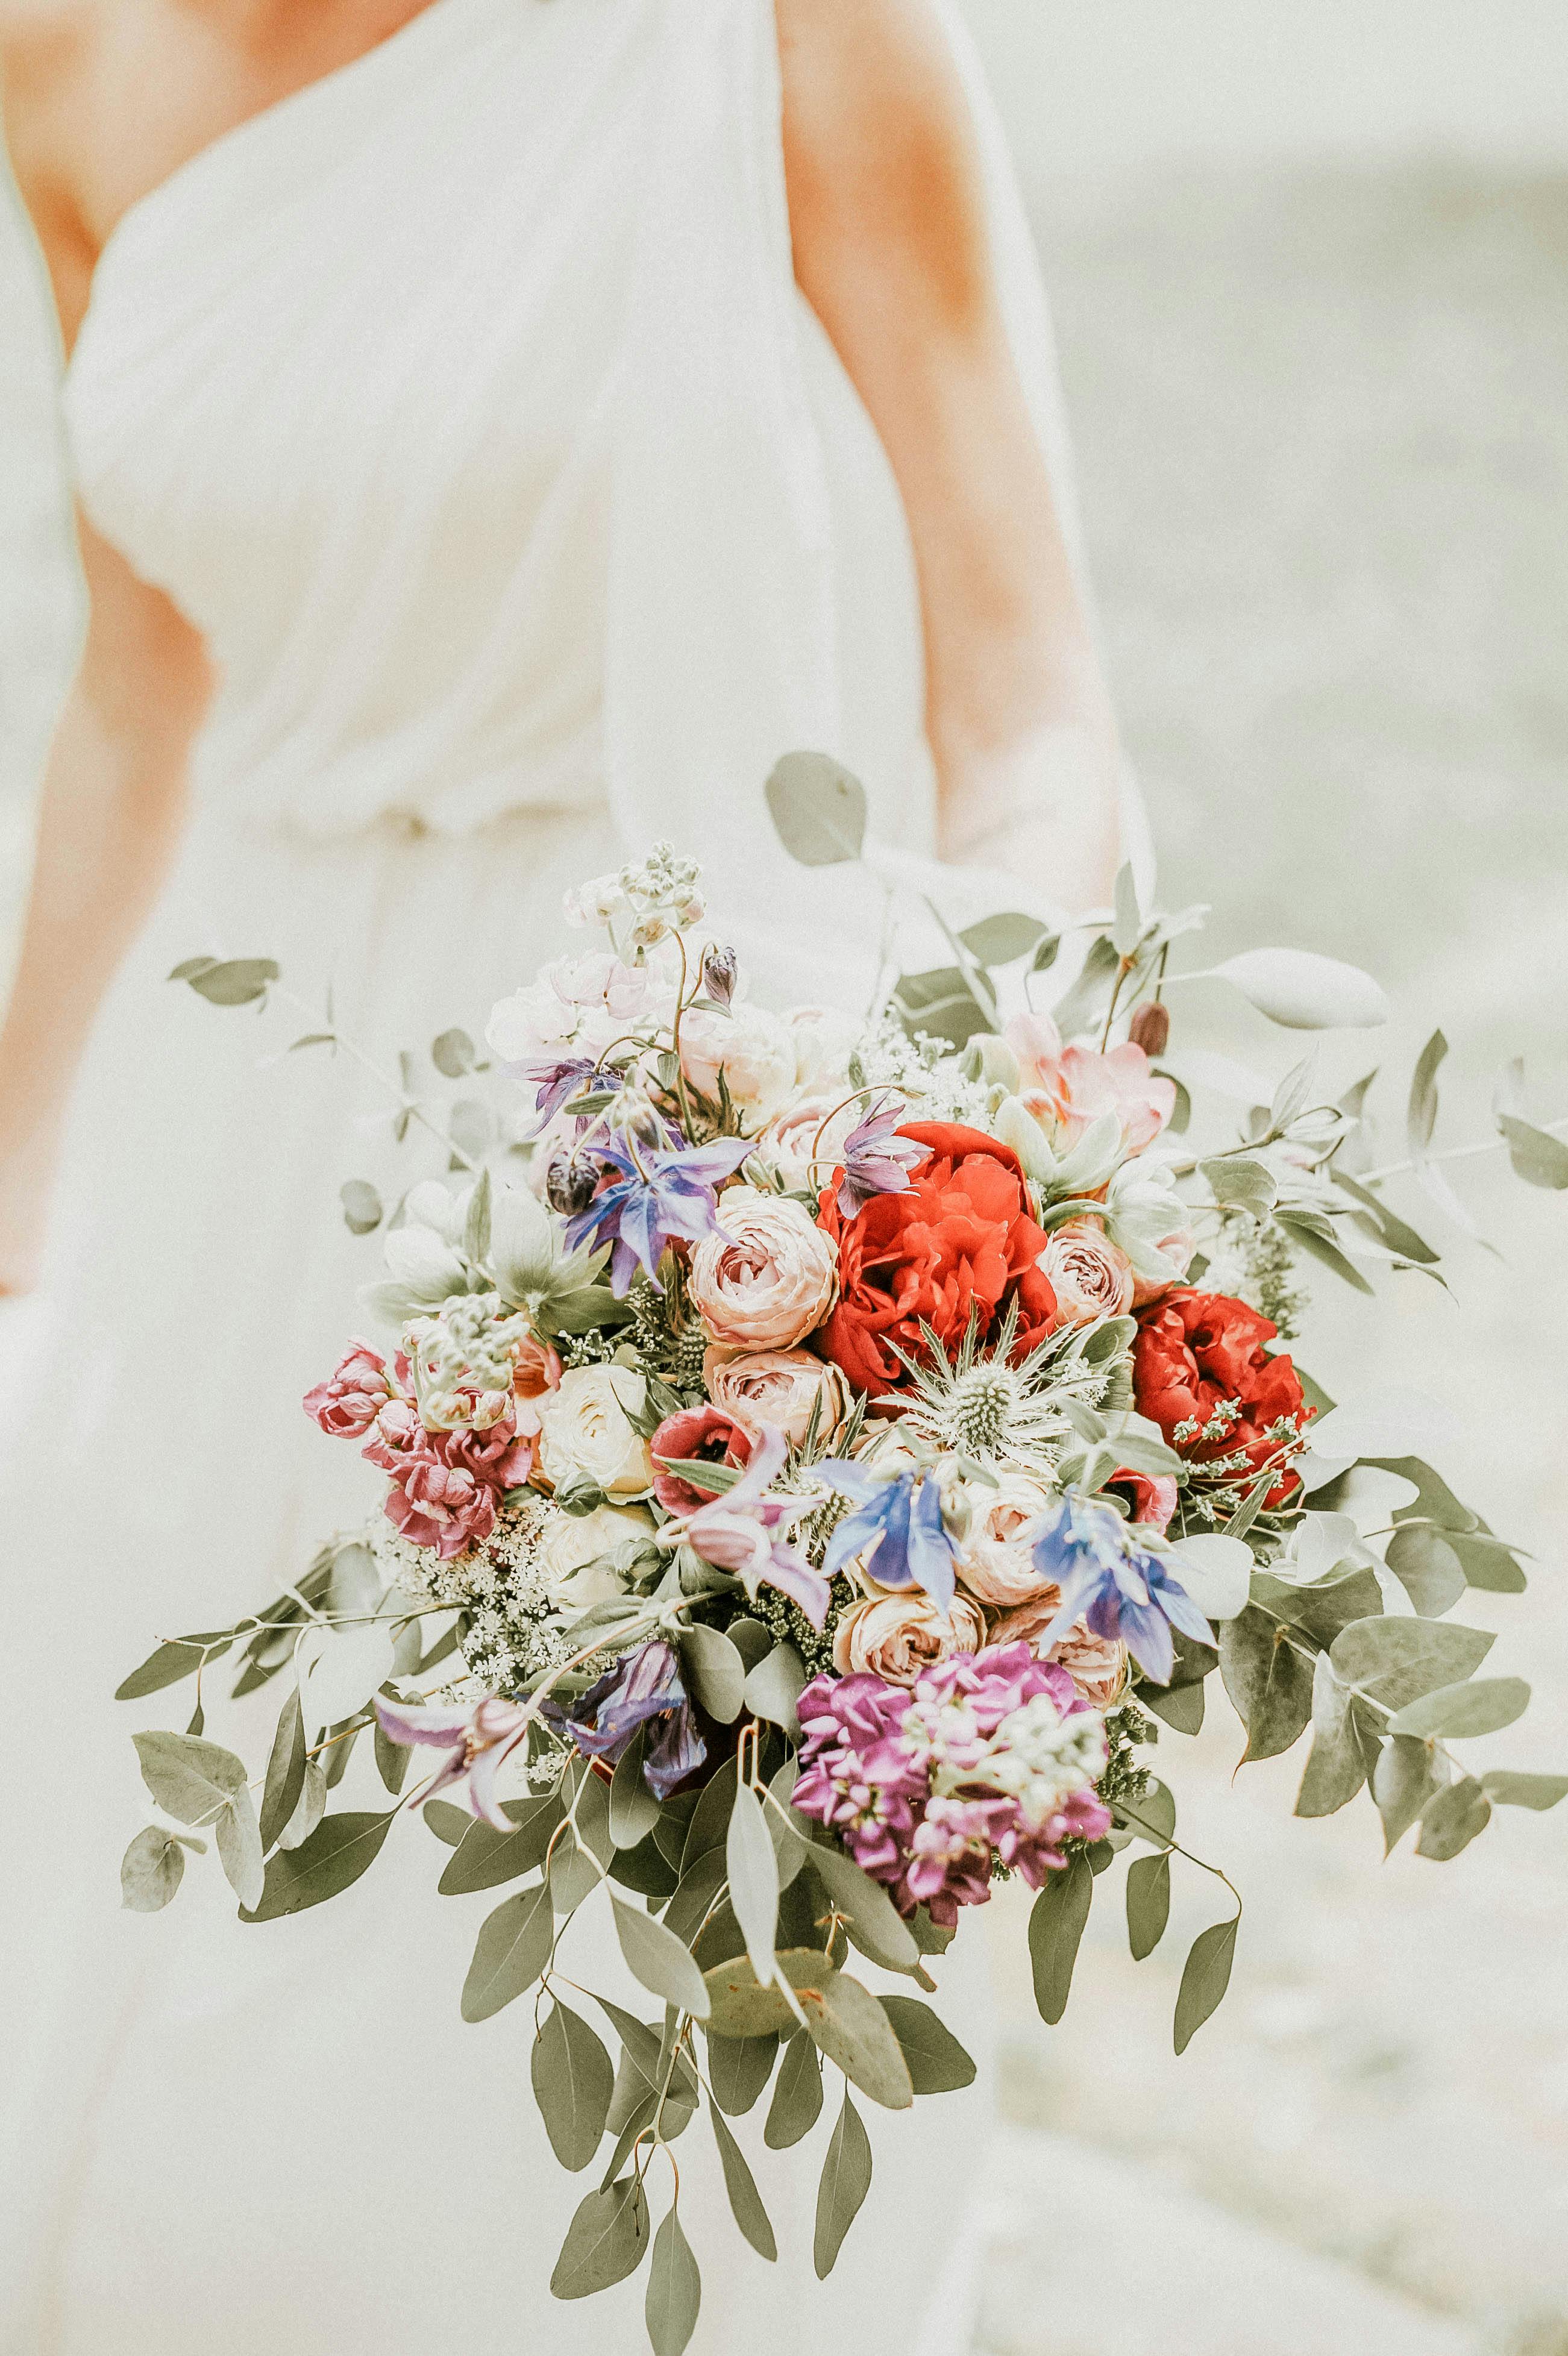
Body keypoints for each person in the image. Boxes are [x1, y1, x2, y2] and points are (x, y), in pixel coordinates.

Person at [0, 2, 1140, 2347]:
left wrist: (923, 1187)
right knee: (121, 2023)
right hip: (218, 1165)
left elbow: (1032, 715)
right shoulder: (56, 63)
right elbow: (142, 694)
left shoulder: (782, 32)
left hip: (667, 1194)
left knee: (574, 2116)